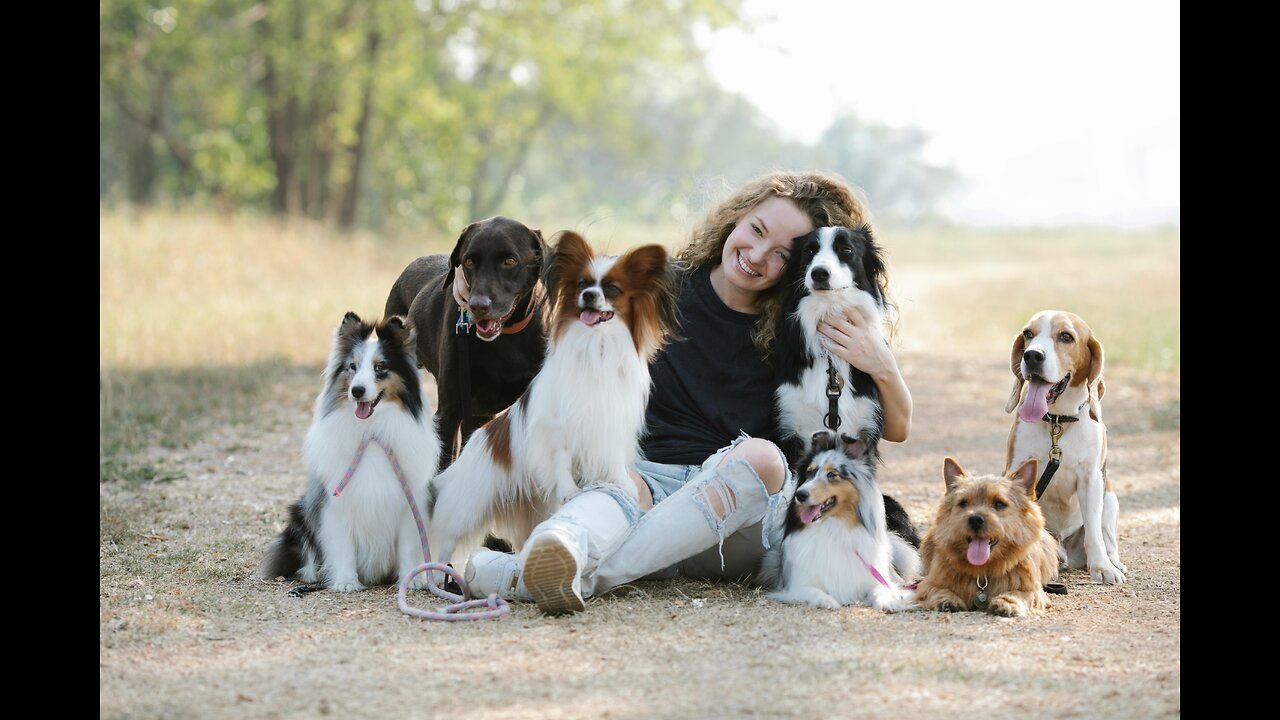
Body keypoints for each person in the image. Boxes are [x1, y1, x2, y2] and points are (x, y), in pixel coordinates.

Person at [463, 170, 913, 615]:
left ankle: (516, 575)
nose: (756, 255)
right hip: (642, 484)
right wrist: (469, 290)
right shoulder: (659, 287)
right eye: (755, 230)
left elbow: (894, 427)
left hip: (737, 511)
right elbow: (566, 287)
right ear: (735, 218)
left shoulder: (800, 329)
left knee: (762, 459)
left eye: (779, 253)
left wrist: (883, 363)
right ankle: (560, 551)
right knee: (615, 483)